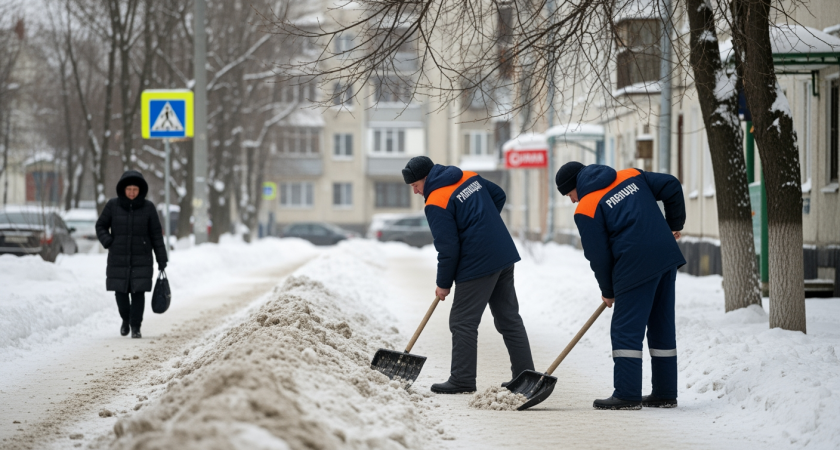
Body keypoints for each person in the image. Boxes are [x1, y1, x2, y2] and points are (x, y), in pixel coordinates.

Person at [555, 161, 686, 410]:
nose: (572, 200)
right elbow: (671, 184)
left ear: (574, 186)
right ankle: (665, 392)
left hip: (634, 265)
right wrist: (673, 225)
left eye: (568, 194)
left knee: (626, 329)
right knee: (661, 325)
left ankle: (627, 394)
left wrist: (608, 290)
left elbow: (598, 255)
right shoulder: (631, 175)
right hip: (665, 257)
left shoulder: (587, 207)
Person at [402, 156, 535, 394]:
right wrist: (483, 224)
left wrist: (443, 284)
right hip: (502, 252)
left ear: (425, 178)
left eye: (415, 186)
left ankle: (462, 379)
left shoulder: (436, 201)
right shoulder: (467, 176)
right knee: (509, 319)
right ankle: (525, 377)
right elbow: (499, 195)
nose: (416, 192)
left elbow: (448, 248)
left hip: (477, 261)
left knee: (462, 321)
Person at [96, 170, 168, 339]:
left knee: (138, 293)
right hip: (118, 258)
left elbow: (156, 235)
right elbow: (100, 226)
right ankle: (125, 319)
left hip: (141, 258)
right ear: (123, 189)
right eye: (129, 189)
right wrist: (109, 241)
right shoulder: (112, 206)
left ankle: (136, 326)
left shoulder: (149, 208)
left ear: (140, 190)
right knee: (120, 293)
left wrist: (161, 258)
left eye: (135, 189)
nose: (132, 193)